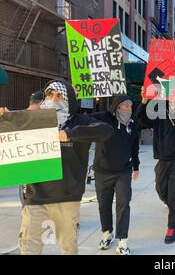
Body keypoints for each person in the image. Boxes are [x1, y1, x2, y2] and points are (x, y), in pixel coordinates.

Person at [7, 81, 114, 255]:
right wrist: (6, 121)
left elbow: (106, 130)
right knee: (28, 249)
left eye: (59, 95)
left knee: (68, 249)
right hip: (36, 197)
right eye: (50, 95)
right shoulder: (33, 121)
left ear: (69, 99)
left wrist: (71, 134)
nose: (54, 99)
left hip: (67, 199)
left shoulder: (79, 121)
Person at [136, 88, 175, 244]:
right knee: (160, 189)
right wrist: (144, 101)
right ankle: (172, 206)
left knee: (174, 192)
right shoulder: (159, 111)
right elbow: (142, 119)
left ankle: (171, 226)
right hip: (162, 158)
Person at [91, 95, 140, 255]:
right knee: (104, 204)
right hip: (102, 171)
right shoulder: (105, 120)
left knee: (123, 204)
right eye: (125, 106)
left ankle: (122, 241)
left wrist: (136, 166)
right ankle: (107, 233)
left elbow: (134, 148)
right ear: (117, 107)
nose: (129, 109)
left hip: (123, 171)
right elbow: (86, 117)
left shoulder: (132, 126)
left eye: (130, 106)